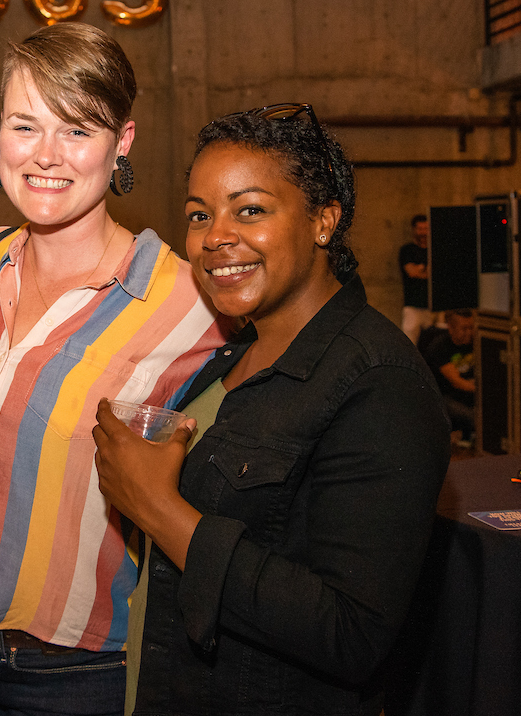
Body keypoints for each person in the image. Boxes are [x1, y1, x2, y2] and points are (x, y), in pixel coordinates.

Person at [92, 106, 451, 716]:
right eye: (199, 215)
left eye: (250, 209)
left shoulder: (382, 385)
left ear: (323, 222)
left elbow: (351, 633)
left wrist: (157, 506)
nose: (215, 237)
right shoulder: (232, 355)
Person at [0, 23, 229, 716]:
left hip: (74, 676)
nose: (47, 156)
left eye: (78, 130)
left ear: (122, 142)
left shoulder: (187, 303)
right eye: (25, 125)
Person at [424, 309, 476, 441]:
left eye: (471, 328)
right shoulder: (439, 347)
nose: (469, 333)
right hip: (445, 397)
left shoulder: (476, 342)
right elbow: (456, 381)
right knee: (475, 417)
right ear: (451, 328)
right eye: (464, 329)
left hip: (468, 395)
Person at [399, 214, 434, 345]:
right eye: (420, 229)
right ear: (414, 229)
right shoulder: (407, 250)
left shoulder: (433, 250)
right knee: (409, 344)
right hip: (413, 306)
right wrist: (424, 270)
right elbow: (412, 272)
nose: (423, 233)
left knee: (431, 344)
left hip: (431, 307)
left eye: (426, 229)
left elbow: (436, 273)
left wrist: (421, 269)